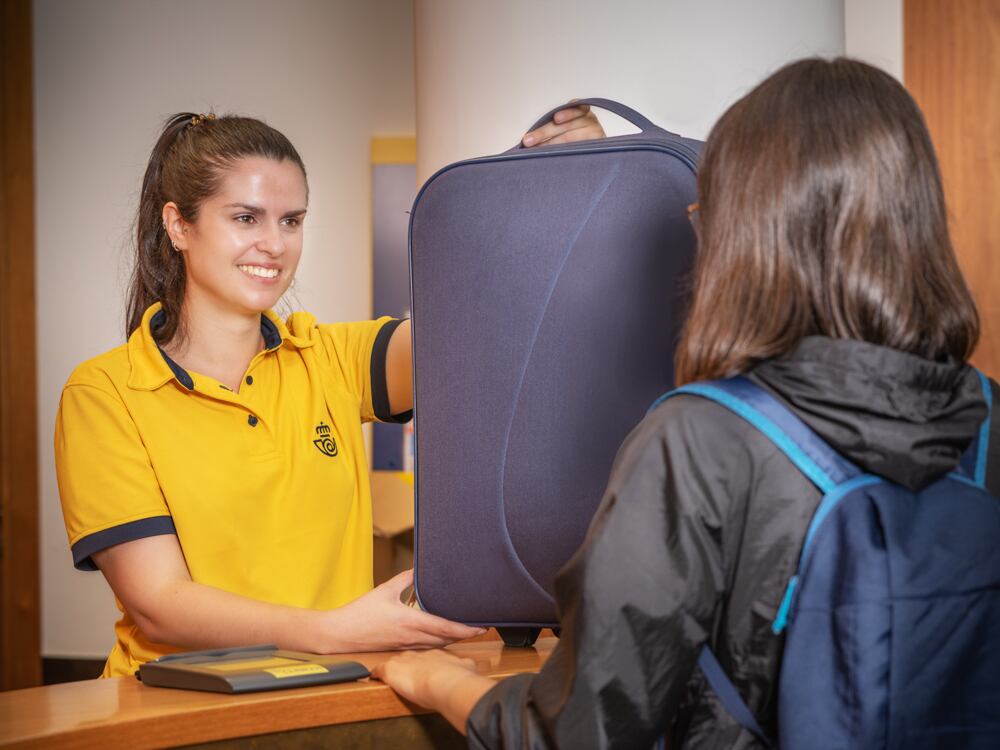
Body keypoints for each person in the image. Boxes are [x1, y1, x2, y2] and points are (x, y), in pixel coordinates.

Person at [373, 58, 1000, 748]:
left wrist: (438, 680)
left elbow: (578, 735)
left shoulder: (701, 441)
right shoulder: (988, 417)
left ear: (747, 234)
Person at [54, 104, 605, 678]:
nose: (275, 243)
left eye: (291, 221)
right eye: (247, 218)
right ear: (178, 225)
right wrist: (333, 632)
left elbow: (490, 330)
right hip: (173, 709)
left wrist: (572, 176)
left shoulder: (330, 359)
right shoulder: (105, 392)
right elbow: (159, 603)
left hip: (331, 696)